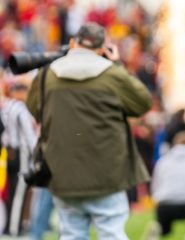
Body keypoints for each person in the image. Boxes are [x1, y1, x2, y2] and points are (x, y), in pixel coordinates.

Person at [25, 22, 152, 239]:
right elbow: (142, 103)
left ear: (73, 43)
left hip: (63, 174)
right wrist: (117, 64)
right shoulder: (113, 75)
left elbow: (34, 108)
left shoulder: (48, 74)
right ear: (103, 48)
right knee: (112, 233)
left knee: (71, 234)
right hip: (107, 175)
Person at [0, 79, 37, 236]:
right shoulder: (20, 108)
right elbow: (29, 135)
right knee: (19, 191)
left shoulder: (7, 107)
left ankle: (10, 225)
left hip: (9, 151)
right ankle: (14, 228)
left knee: (12, 190)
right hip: (21, 152)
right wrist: (37, 153)